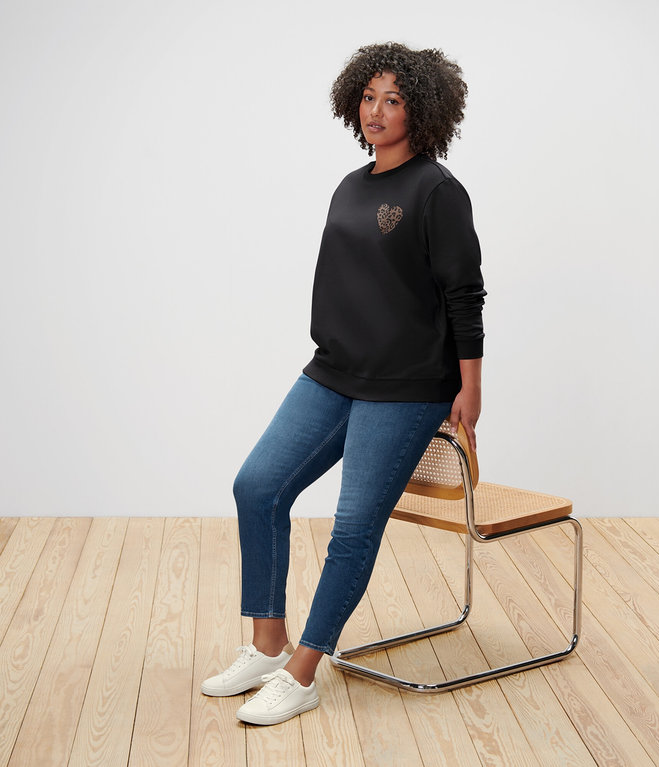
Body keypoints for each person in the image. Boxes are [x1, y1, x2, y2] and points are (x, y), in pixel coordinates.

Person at [201, 42, 485, 726]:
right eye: (368, 97)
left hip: (407, 386)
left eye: (394, 100)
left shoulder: (438, 191)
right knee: (258, 486)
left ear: (423, 111)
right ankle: (267, 644)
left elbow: (465, 295)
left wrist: (470, 388)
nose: (376, 111)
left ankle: (302, 671)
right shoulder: (351, 185)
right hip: (333, 371)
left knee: (353, 525)